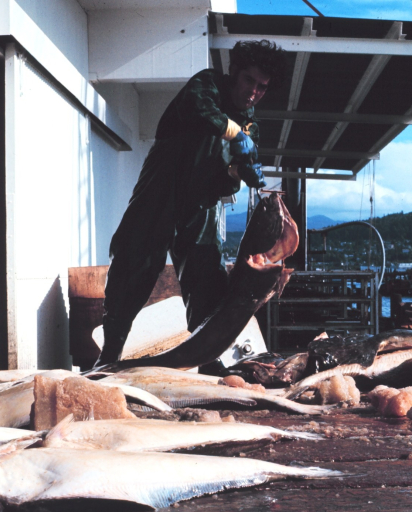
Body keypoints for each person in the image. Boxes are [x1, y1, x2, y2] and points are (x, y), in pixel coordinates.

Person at [95, 39, 287, 366]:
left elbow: (227, 181)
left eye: (262, 87)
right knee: (133, 269)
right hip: (160, 193)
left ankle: (207, 360)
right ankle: (109, 355)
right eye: (248, 81)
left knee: (207, 285)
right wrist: (233, 134)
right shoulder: (207, 85)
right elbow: (202, 113)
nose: (254, 91)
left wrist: (240, 172)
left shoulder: (252, 127)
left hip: (202, 208)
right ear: (235, 72)